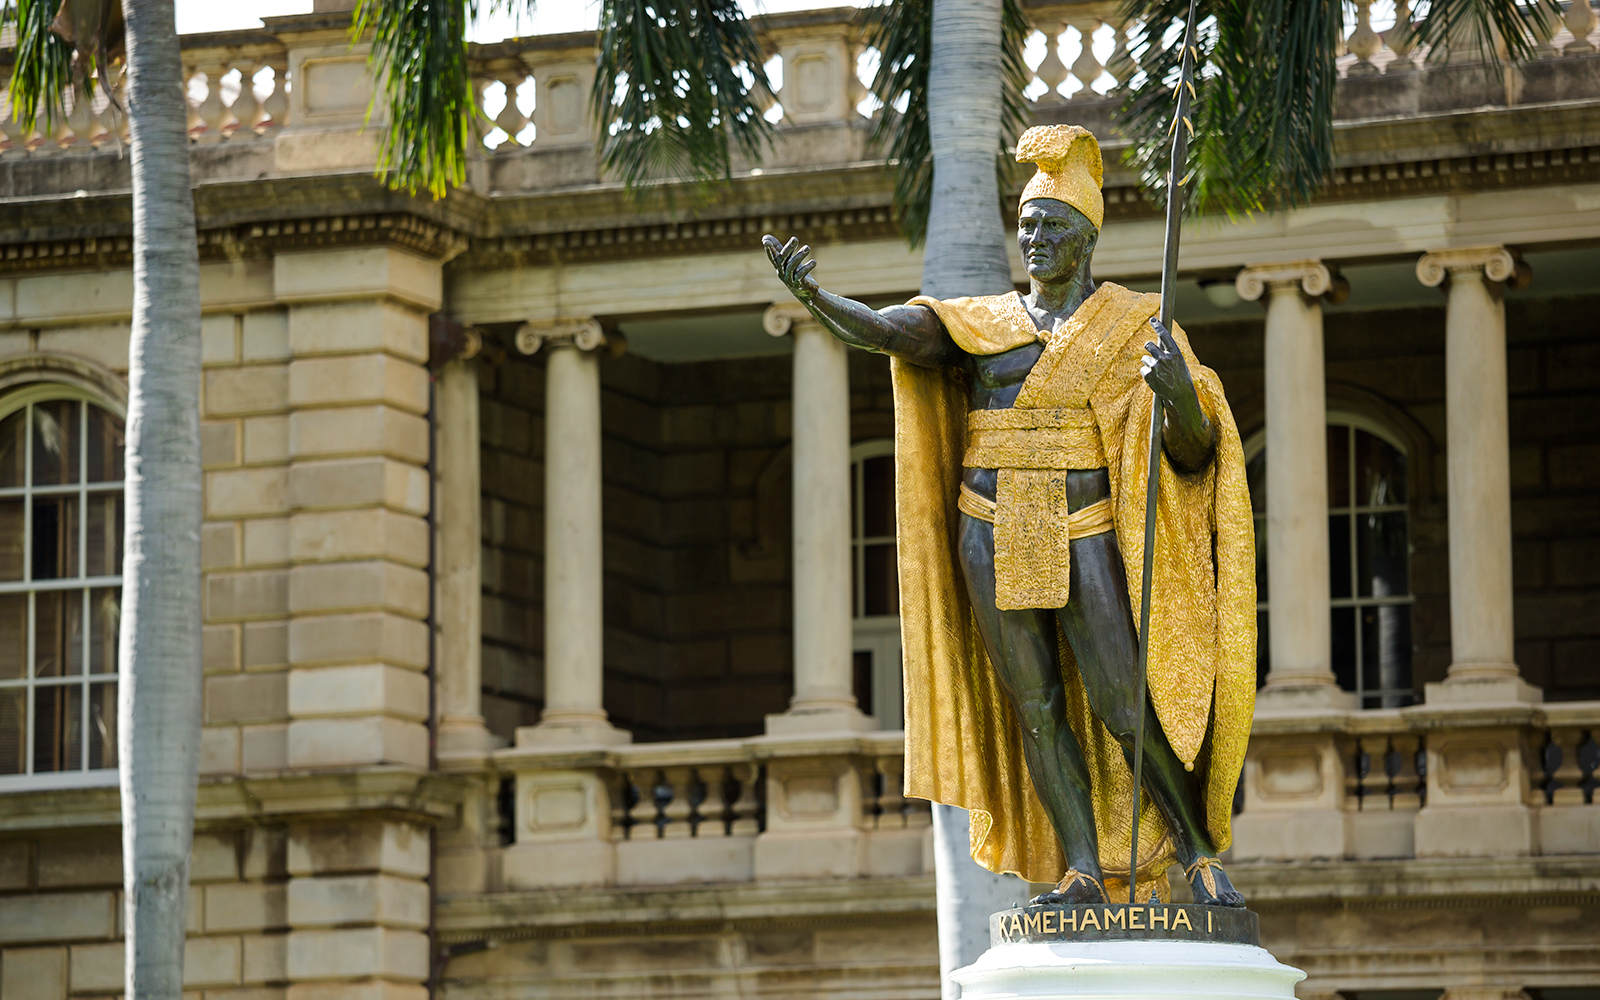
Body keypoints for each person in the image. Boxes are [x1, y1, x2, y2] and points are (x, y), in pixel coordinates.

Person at [762, 124, 1256, 906]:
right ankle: (1082, 868)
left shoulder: (1134, 325)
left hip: (1084, 522)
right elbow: (891, 331)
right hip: (989, 524)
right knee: (1036, 706)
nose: (1033, 241)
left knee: (1123, 698)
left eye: (1050, 228)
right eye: (1025, 228)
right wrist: (818, 301)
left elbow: (1195, 457)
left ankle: (1196, 854)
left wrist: (1182, 398)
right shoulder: (981, 324)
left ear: (1084, 238)